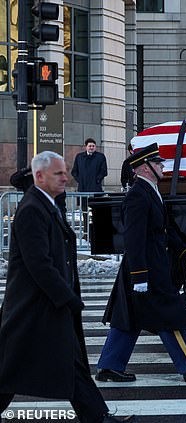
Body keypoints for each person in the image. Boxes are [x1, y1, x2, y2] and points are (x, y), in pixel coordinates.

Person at [0, 152, 128, 422]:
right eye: (58, 173)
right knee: (9, 371)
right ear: (39, 176)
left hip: (46, 306)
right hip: (34, 308)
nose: (66, 177)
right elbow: (39, 265)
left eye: (65, 171)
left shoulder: (46, 205)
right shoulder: (32, 209)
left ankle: (98, 416)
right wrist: (67, 297)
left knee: (73, 364)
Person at [97, 143, 186, 383]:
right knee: (169, 314)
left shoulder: (150, 191)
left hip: (147, 266)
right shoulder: (137, 196)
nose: (162, 166)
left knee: (128, 318)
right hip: (145, 268)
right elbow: (133, 239)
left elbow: (164, 230)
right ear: (144, 168)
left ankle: (109, 366)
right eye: (157, 163)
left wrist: (185, 253)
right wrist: (140, 275)